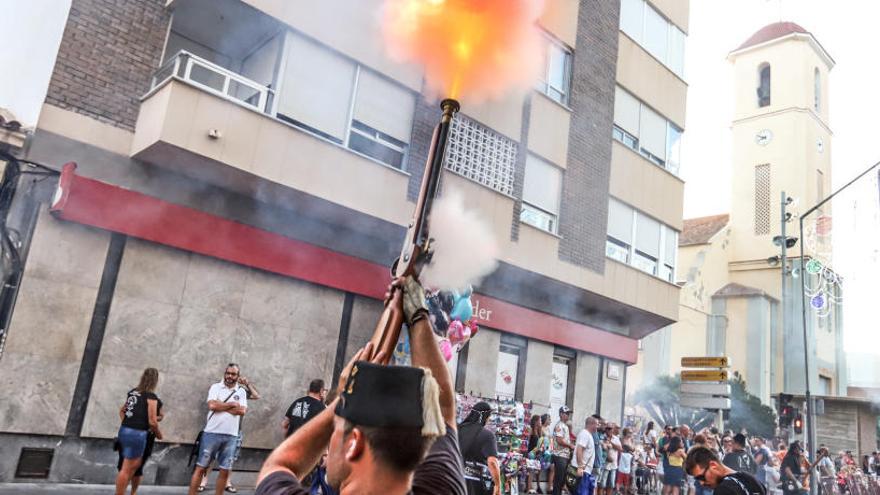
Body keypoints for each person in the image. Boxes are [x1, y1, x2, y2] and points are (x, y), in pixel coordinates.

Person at [253, 275, 466, 495]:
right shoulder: (442, 489)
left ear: (353, 443)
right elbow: (442, 410)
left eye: (336, 428)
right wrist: (418, 314)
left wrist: (342, 398)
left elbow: (279, 465)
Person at [189, 364, 248, 495]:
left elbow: (242, 410)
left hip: (231, 436)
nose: (229, 376)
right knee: (200, 468)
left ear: (238, 377)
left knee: (225, 470)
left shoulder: (241, 391)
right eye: (228, 373)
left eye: (233, 374)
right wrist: (231, 404)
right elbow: (212, 405)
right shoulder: (216, 387)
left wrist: (220, 405)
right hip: (211, 433)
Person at [115, 368, 163, 495]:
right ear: (155, 381)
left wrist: (128, 423)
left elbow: (122, 411)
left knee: (130, 467)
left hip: (124, 430)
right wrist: (159, 434)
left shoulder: (132, 393)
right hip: (137, 433)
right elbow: (152, 421)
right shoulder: (151, 397)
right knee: (127, 469)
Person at [685, 446, 766, 495]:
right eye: (697, 479)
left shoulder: (724, 489)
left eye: (702, 477)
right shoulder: (752, 480)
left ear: (713, 465)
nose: (701, 483)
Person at [459, 402, 501, 495]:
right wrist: (498, 486)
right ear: (484, 417)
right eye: (489, 417)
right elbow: (492, 462)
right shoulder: (487, 435)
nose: (489, 420)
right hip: (474, 486)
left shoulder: (457, 430)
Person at [551, 406, 575, 495]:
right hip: (560, 455)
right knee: (559, 480)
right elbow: (559, 440)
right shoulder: (560, 425)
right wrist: (571, 445)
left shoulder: (565, 426)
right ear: (561, 414)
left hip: (564, 455)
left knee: (562, 481)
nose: (568, 415)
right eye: (566, 413)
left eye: (569, 414)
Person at [573, 416, 598, 495]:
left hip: (585, 471)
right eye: (597, 424)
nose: (597, 427)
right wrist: (580, 466)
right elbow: (579, 449)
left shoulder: (588, 435)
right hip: (582, 471)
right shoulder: (585, 434)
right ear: (591, 424)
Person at [527, 414, 548, 494]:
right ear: (536, 421)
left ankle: (538, 487)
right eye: (539, 420)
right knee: (531, 471)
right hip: (531, 453)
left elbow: (544, 439)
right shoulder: (531, 430)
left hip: (538, 454)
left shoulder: (540, 431)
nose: (541, 422)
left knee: (538, 471)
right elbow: (527, 442)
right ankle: (529, 488)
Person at [599, 425, 623, 495]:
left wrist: (611, 442)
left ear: (613, 429)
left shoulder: (616, 438)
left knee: (611, 484)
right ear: (605, 429)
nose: (609, 430)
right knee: (602, 485)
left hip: (613, 465)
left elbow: (620, 449)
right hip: (604, 465)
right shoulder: (602, 437)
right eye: (608, 428)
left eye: (611, 429)